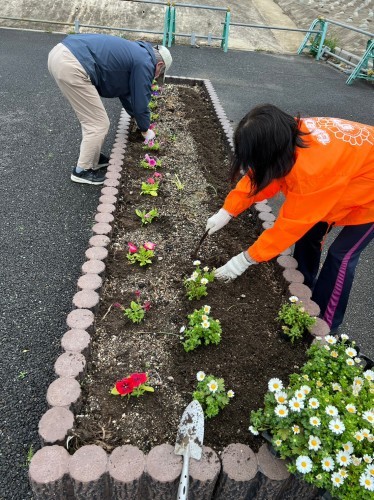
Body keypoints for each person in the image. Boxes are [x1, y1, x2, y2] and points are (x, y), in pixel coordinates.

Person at [206, 104, 373, 333]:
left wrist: (244, 260)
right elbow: (263, 175)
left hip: (366, 191)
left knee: (340, 256)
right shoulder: (286, 136)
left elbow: (289, 226)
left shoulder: (313, 173)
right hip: (346, 173)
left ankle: (325, 324)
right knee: (310, 234)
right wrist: (228, 211)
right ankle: (304, 289)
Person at [48, 34, 172, 185]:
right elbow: (140, 101)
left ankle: (92, 157)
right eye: (159, 74)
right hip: (72, 63)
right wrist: (146, 130)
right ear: (159, 65)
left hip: (63, 54)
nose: (156, 76)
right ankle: (82, 171)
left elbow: (127, 95)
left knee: (92, 119)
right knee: (98, 123)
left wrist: (137, 118)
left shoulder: (138, 53)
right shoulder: (145, 63)